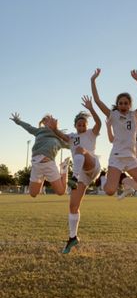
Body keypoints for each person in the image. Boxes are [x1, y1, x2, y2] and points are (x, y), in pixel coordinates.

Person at [47, 95, 101, 254]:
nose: (82, 126)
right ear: (75, 125)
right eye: (79, 124)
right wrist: (54, 127)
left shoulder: (91, 133)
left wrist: (91, 108)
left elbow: (98, 123)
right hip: (82, 174)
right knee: (73, 206)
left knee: (80, 150)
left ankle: (74, 178)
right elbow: (60, 135)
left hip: (92, 166)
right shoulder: (71, 137)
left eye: (84, 124)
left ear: (86, 125)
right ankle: (73, 237)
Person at [91, 68, 137, 196]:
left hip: (130, 157)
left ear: (129, 105)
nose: (123, 105)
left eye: (126, 103)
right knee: (110, 191)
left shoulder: (134, 115)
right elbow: (97, 100)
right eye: (120, 103)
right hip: (117, 157)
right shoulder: (113, 115)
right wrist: (93, 80)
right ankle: (103, 180)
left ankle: (126, 182)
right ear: (117, 105)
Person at [10, 112, 70, 197]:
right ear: (44, 123)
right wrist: (18, 121)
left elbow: (71, 145)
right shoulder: (39, 131)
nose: (48, 120)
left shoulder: (59, 136)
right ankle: (42, 177)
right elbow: (28, 127)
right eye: (46, 120)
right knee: (33, 194)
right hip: (36, 164)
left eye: (51, 119)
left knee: (61, 192)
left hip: (49, 165)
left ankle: (64, 169)